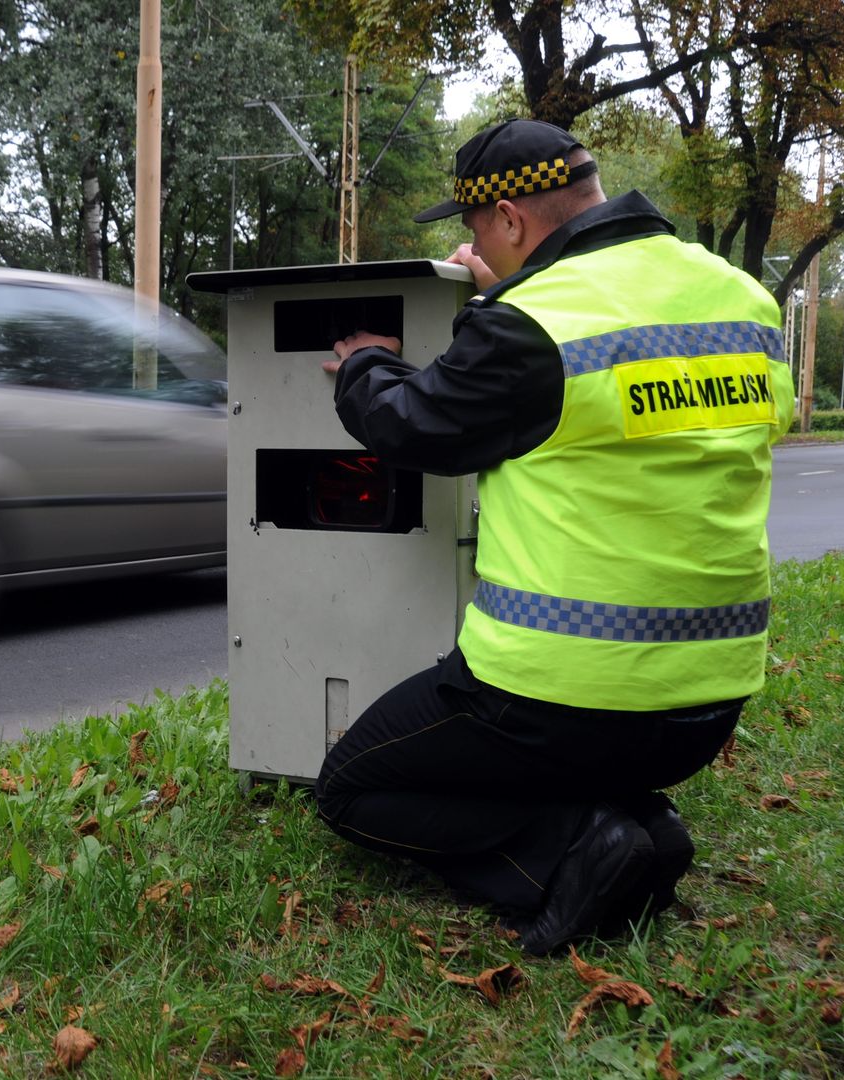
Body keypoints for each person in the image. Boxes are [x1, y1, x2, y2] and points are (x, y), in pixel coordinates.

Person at [313, 118, 794, 956]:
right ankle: (642, 823)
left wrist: (364, 362)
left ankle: (573, 850)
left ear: (507, 220)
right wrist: (500, 297)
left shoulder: (533, 321)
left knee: (350, 788)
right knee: (582, 755)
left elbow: (411, 425)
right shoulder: (738, 296)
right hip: (707, 704)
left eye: (472, 228)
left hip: (558, 696)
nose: (474, 245)